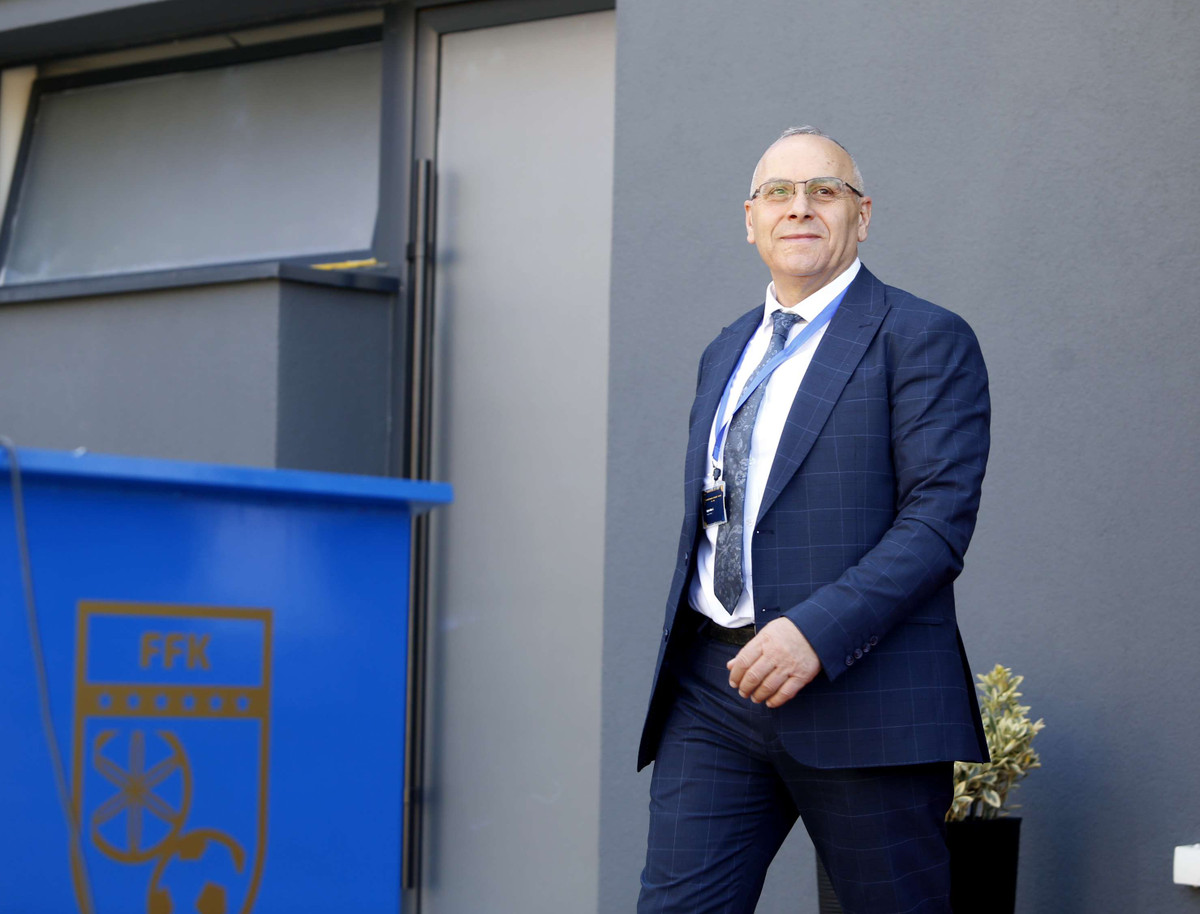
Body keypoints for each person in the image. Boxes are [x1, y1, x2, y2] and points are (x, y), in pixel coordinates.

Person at [636, 126, 991, 914]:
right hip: (713, 688)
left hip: (864, 691)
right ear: (751, 219)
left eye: (823, 191)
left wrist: (813, 633)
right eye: (779, 193)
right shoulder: (725, 350)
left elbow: (936, 524)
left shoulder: (923, 338)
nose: (799, 208)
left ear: (862, 215)